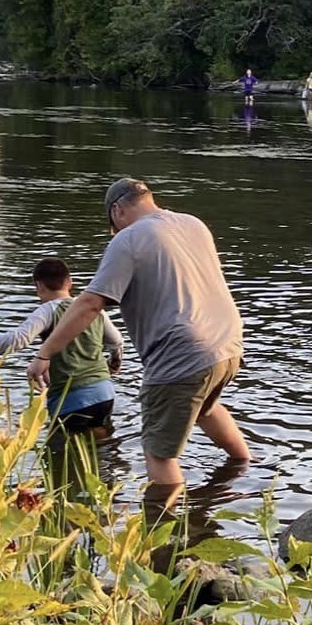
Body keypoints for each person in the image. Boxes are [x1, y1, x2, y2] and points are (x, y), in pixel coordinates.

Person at [26, 178, 248, 511]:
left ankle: (165, 539)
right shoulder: (193, 224)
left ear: (117, 210)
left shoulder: (128, 239)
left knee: (158, 452)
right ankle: (245, 471)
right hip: (228, 343)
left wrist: (45, 353)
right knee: (205, 407)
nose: (113, 231)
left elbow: (89, 305)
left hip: (182, 353)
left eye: (112, 224)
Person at [0, 257, 123, 453]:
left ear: (39, 286)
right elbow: (117, 342)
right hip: (104, 394)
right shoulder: (94, 310)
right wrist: (113, 366)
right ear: (69, 281)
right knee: (99, 450)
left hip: (71, 399)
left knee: (61, 456)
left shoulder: (47, 310)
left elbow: (17, 339)